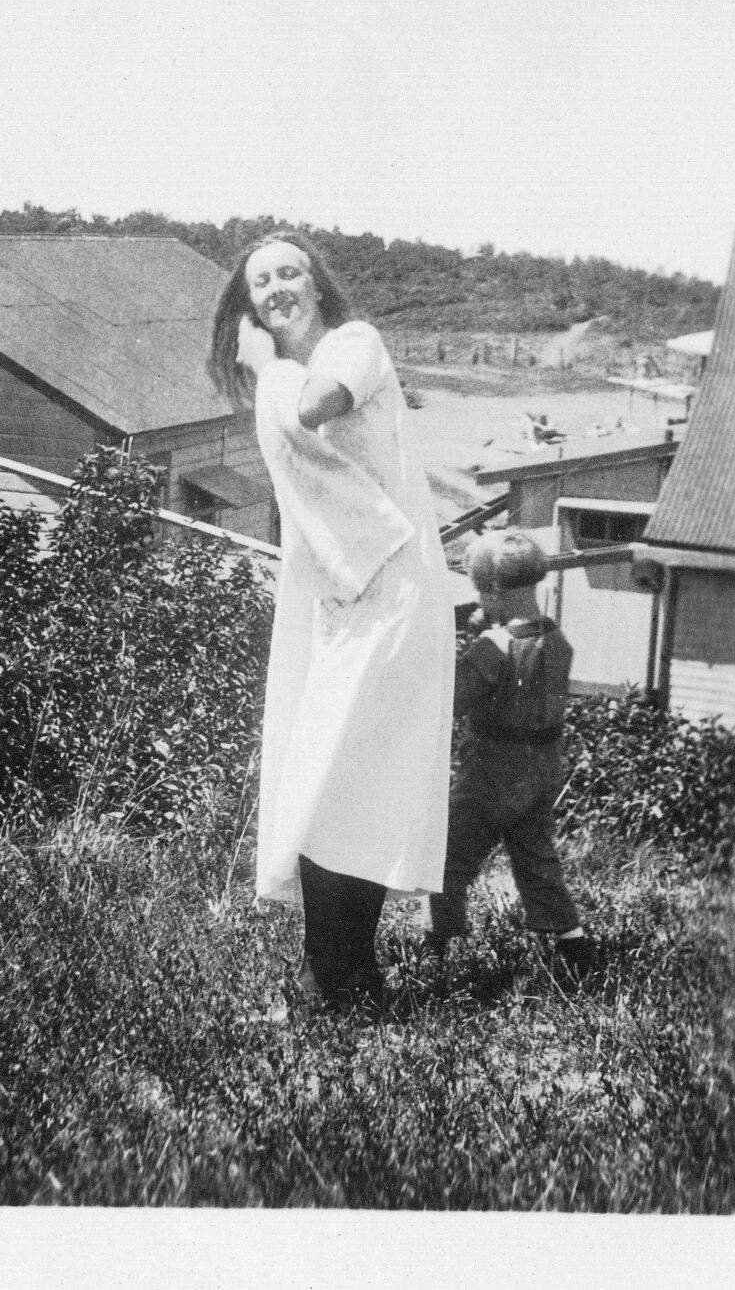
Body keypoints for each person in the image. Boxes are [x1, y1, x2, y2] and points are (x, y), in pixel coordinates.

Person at [208, 229, 454, 1010]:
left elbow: (315, 408)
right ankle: (342, 976)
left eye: (290, 273)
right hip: (337, 597)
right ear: (247, 302)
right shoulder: (285, 371)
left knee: (351, 778)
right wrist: (268, 373)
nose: (277, 287)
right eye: (261, 280)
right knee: (325, 780)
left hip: (391, 591)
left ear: (317, 286)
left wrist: (266, 367)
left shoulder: (353, 344)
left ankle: (333, 978)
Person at [421, 529, 595, 978]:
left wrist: (468, 648)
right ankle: (574, 949)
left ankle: (436, 948)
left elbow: (453, 700)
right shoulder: (557, 640)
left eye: (481, 590)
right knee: (537, 861)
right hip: (540, 774)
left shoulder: (493, 647)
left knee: (447, 858)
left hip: (490, 774)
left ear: (494, 590)